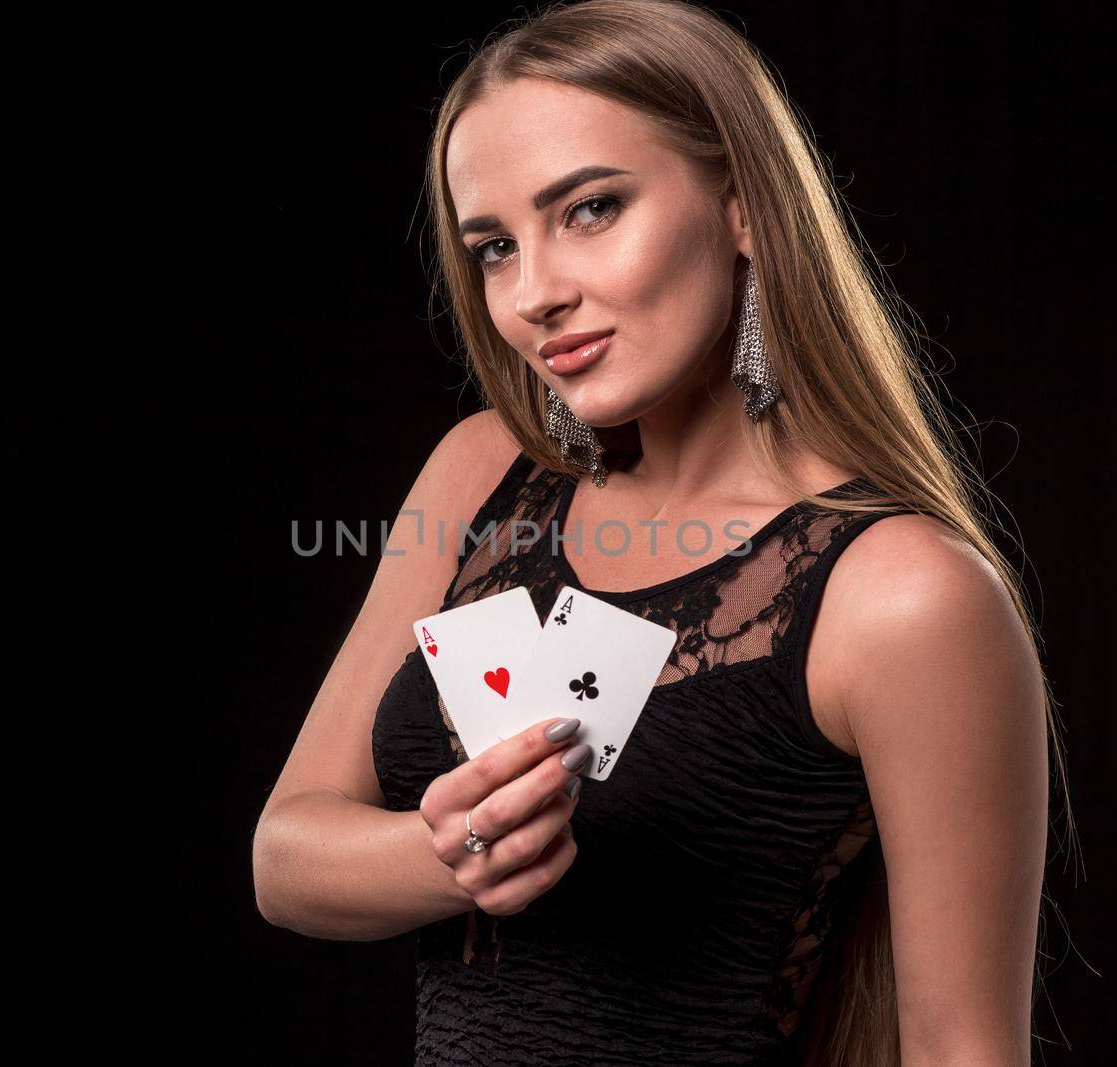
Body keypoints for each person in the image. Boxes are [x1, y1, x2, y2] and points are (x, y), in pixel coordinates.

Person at [253, 1, 1066, 1062]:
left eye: (589, 209)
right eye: (494, 247)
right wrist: (448, 851)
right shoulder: (478, 471)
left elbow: (965, 1047)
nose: (534, 293)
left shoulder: (905, 593)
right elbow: (285, 853)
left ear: (741, 207)